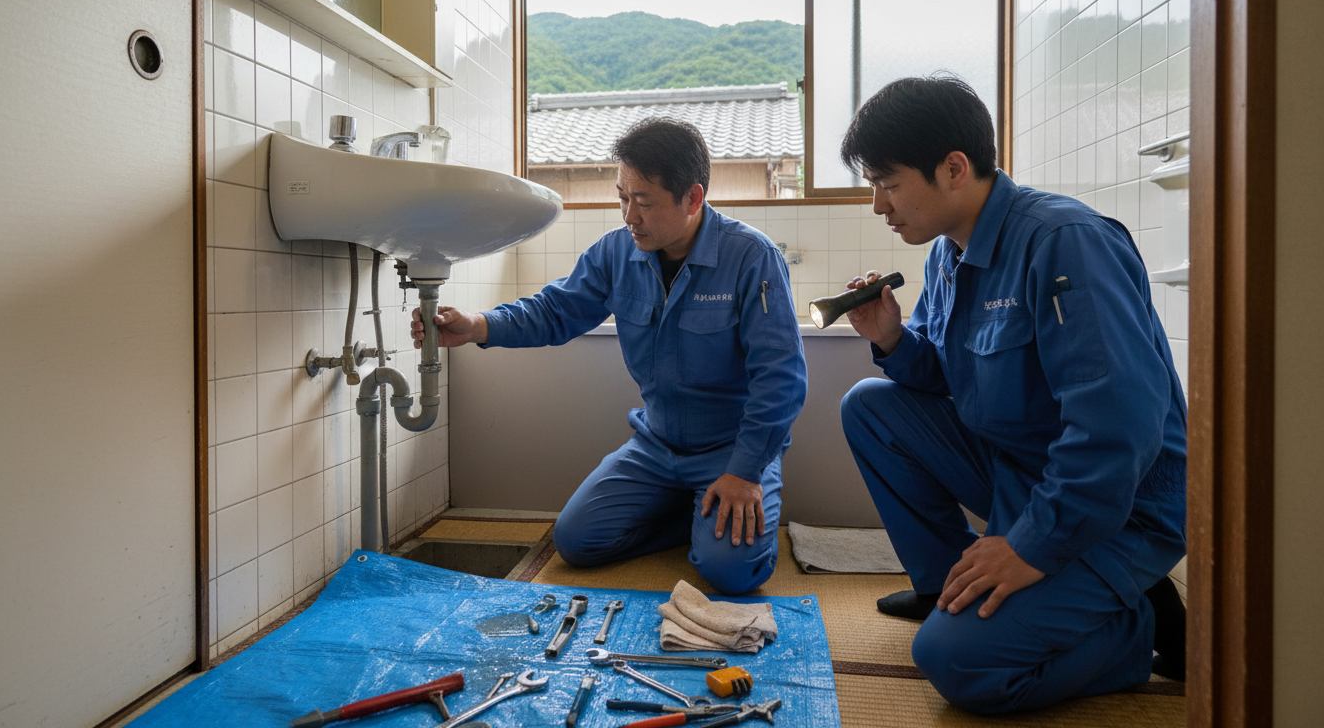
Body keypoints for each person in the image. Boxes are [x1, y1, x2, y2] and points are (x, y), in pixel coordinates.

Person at [836, 75, 1188, 714]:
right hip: (1020, 470)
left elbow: (1119, 427)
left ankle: (1134, 628)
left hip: (1121, 504)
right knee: (870, 405)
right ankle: (953, 587)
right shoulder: (949, 254)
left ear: (953, 168)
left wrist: (1031, 547)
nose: (879, 206)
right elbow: (949, 377)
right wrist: (891, 338)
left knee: (956, 663)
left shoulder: (1065, 242)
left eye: (888, 184)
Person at [411, 118, 807, 595]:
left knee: (731, 573)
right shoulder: (616, 254)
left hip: (729, 452)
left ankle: (715, 516)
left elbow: (781, 377)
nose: (628, 216)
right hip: (656, 447)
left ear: (693, 199)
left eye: (643, 202)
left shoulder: (752, 257)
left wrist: (745, 473)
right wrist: (477, 325)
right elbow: (556, 310)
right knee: (576, 542)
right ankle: (692, 519)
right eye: (622, 196)